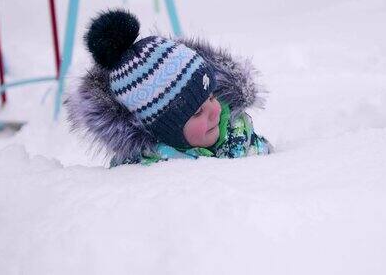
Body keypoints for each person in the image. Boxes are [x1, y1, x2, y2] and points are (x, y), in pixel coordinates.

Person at [65, 9, 272, 167]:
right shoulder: (147, 170)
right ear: (165, 130)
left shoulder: (240, 133)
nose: (215, 110)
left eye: (210, 97)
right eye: (197, 112)